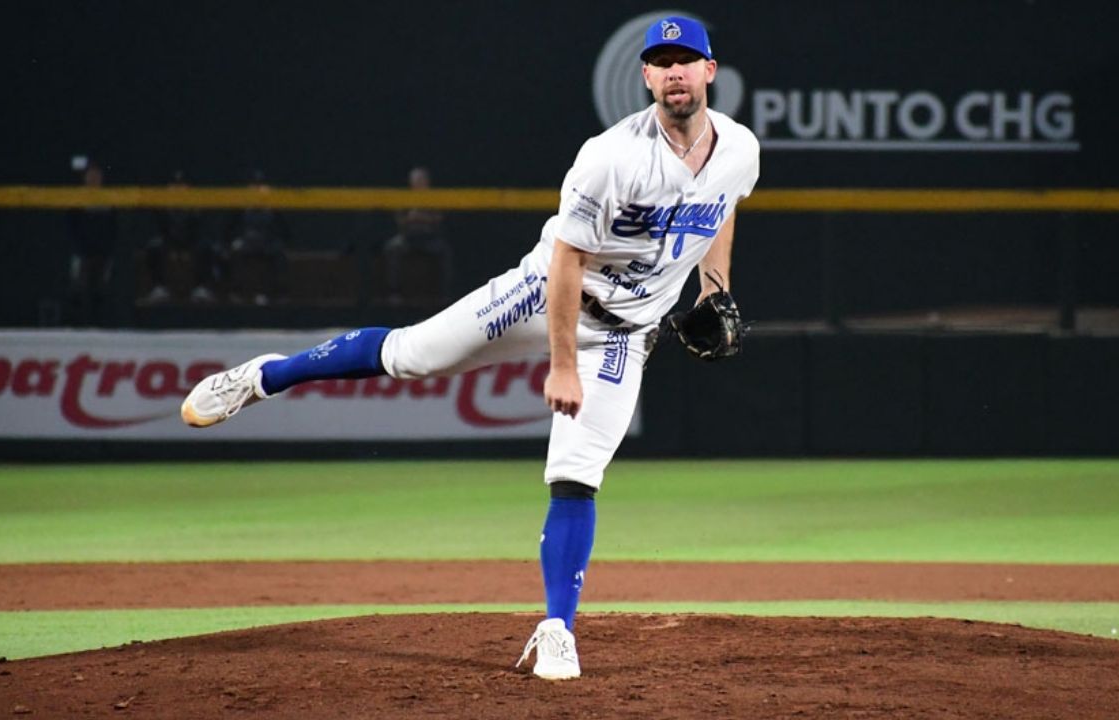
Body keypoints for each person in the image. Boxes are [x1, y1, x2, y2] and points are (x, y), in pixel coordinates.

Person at [180, 15, 759, 680]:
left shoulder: (738, 150)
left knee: (576, 473)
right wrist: (563, 366)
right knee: (410, 355)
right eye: (662, 61)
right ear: (646, 75)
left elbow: (723, 204)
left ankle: (556, 630)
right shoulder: (610, 157)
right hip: (547, 293)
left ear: (709, 71)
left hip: (626, 333)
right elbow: (569, 259)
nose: (675, 71)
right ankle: (263, 378)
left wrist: (715, 291)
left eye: (686, 59)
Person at [142, 170, 223, 304]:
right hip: (169, 240)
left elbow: (199, 229)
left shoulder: (195, 203)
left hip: (191, 240)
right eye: (175, 185)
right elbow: (159, 228)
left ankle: (201, 287)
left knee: (206, 247)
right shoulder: (162, 203)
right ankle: (159, 287)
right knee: (153, 246)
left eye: (182, 185)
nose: (178, 188)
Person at [380, 166, 453, 305]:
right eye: (416, 180)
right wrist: (410, 218)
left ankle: (443, 295)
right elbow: (399, 221)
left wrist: (423, 218)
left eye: (422, 180)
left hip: (428, 238)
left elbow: (439, 219)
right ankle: (394, 292)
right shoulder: (405, 198)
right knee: (391, 248)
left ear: (427, 182)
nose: (419, 183)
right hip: (408, 239)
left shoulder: (434, 198)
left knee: (444, 251)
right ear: (411, 182)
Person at [223, 169, 290, 305]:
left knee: (279, 253)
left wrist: (276, 240)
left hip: (267, 243)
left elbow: (284, 230)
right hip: (246, 242)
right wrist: (234, 240)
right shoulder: (242, 206)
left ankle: (276, 294)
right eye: (255, 185)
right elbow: (229, 229)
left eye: (261, 185)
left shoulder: (273, 206)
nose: (258, 188)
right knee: (234, 252)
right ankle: (236, 293)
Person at [67, 159, 119, 326]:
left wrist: (108, 247)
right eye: (91, 175)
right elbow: (72, 224)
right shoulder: (77, 198)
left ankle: (99, 327)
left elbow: (114, 226)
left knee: (100, 291)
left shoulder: (109, 199)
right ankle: (75, 326)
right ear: (85, 178)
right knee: (77, 289)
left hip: (103, 251)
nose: (94, 178)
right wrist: (79, 246)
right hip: (82, 250)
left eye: (97, 175)